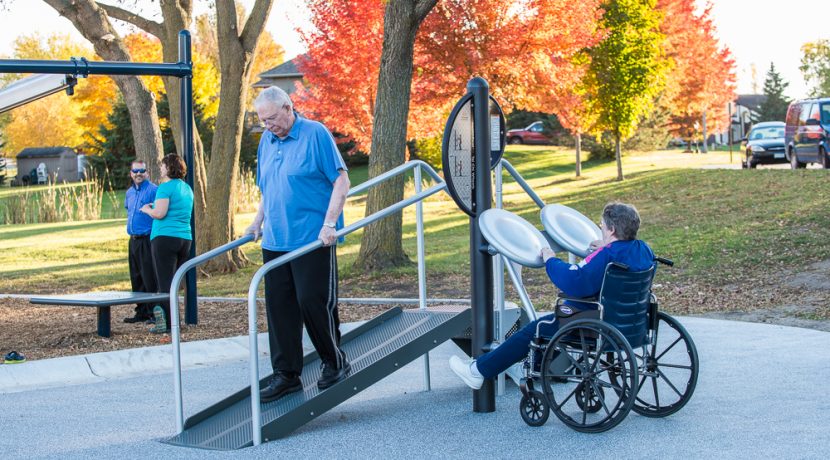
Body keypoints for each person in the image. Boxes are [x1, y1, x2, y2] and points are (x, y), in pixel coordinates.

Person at [449, 202, 655, 389]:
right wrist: (607, 246)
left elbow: (574, 280)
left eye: (602, 226)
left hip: (592, 322)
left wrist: (550, 260)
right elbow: (622, 254)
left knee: (537, 328)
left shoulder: (605, 256)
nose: (600, 229)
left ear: (611, 229)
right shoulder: (644, 250)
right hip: (631, 325)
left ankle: (478, 371)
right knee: (550, 324)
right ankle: (526, 363)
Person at [244, 86, 351, 402]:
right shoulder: (267, 140)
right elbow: (269, 188)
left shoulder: (315, 133)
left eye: (272, 118)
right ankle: (287, 375)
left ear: (289, 108)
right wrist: (257, 222)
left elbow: (341, 180)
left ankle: (334, 362)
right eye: (263, 120)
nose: (268, 126)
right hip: (276, 240)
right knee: (280, 309)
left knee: (311, 301)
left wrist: (329, 224)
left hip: (312, 239)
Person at [140, 153, 194, 334]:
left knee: (165, 282)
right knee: (175, 282)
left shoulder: (165, 188)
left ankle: (170, 324)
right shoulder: (186, 188)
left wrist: (148, 209)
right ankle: (175, 320)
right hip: (184, 239)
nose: (161, 168)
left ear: (169, 167)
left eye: (163, 165)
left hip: (165, 238)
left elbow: (160, 213)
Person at [123, 160, 158, 324]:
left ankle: (153, 312)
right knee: (136, 276)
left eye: (141, 170)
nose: (138, 174)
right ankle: (141, 311)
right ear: (131, 173)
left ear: (147, 172)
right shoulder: (129, 193)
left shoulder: (154, 190)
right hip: (133, 241)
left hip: (147, 240)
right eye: (135, 171)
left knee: (148, 276)